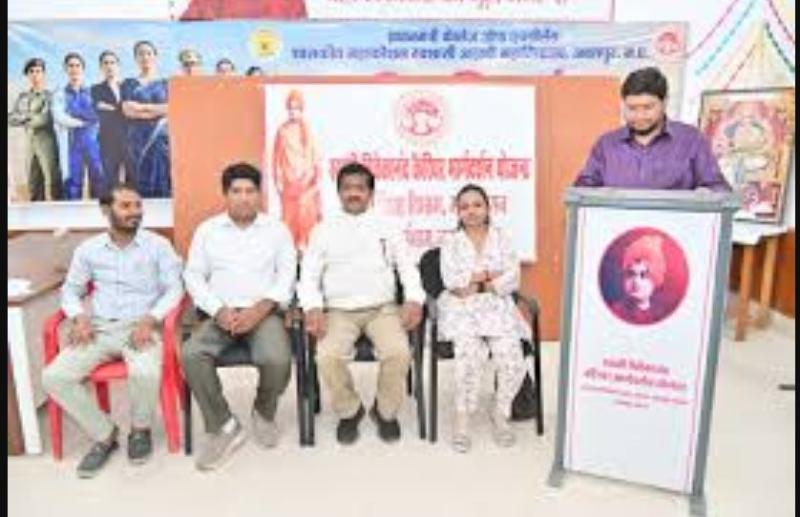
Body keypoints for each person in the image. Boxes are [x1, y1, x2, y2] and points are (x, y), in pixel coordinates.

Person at [41, 183, 183, 478]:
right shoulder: (88, 250)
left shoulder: (158, 245)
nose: (135, 212)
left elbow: (175, 288)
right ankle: (104, 434)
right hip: (100, 329)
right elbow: (71, 290)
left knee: (145, 372)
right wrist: (79, 317)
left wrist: (151, 319)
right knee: (54, 377)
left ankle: (141, 430)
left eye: (138, 205)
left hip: (142, 326)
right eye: (126, 206)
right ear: (107, 210)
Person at [299, 162, 425, 445]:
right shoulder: (323, 230)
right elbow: (309, 275)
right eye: (347, 188)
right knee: (327, 355)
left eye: (360, 188)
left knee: (398, 352)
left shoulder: (388, 227)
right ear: (339, 193)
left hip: (383, 309)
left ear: (370, 193)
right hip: (338, 310)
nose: (353, 193)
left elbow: (407, 267)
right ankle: (350, 410)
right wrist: (312, 307)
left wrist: (414, 300)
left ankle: (385, 412)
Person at [182, 162, 296, 471]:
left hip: (264, 312)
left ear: (259, 195)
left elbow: (287, 275)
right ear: (226, 194)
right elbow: (193, 276)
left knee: (276, 358)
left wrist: (260, 309)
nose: (244, 197)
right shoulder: (207, 231)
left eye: (250, 191)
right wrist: (218, 309)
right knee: (191, 353)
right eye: (236, 191)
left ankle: (264, 410)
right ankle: (223, 424)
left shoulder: (277, 230)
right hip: (221, 313)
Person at [437, 184, 529, 453]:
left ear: (488, 208)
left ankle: (500, 411)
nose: (471, 211)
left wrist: (476, 282)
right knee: (468, 356)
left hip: (497, 306)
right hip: (461, 309)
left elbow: (513, 277)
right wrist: (488, 275)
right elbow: (452, 281)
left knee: (512, 358)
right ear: (458, 212)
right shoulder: (451, 242)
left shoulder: (502, 238)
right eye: (464, 207)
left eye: (477, 205)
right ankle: (463, 418)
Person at [574, 67, 731, 191]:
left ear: (665, 102)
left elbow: (718, 188)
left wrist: (705, 194)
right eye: (632, 108)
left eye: (648, 107)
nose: (639, 116)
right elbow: (581, 190)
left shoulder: (691, 140)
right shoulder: (606, 144)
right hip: (616, 223)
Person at [52, 52, 106, 200]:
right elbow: (59, 117)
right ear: (65, 69)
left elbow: (97, 113)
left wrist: (76, 113)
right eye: (71, 66)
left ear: (83, 68)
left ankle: (98, 212)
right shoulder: (60, 93)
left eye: (77, 65)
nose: (74, 69)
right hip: (71, 144)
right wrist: (82, 122)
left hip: (93, 142)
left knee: (98, 178)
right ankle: (72, 213)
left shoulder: (93, 91)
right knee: (73, 183)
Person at [272, 89, 322, 250]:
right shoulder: (282, 130)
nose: (293, 112)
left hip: (306, 185)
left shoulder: (307, 129)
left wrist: (314, 178)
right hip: (289, 185)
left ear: (301, 109)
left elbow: (315, 157)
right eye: (291, 108)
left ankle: (306, 251)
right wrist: (279, 182)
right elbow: (276, 159)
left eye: (297, 108)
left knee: (307, 222)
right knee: (289, 224)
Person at [121, 40, 170, 198]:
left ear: (155, 56)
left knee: (162, 181)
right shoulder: (129, 83)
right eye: (141, 53)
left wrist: (142, 108)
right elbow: (129, 110)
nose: (145, 57)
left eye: (149, 53)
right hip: (136, 140)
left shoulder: (165, 83)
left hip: (160, 138)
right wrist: (158, 110)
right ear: (135, 58)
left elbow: (171, 109)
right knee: (138, 185)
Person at [7, 57, 61, 201]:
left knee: (52, 179)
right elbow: (11, 118)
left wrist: (24, 117)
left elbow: (44, 119)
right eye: (31, 71)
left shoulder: (50, 96)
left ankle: (58, 211)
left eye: (38, 71)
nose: (35, 75)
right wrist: (29, 117)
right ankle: (37, 211)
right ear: (27, 75)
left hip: (46, 141)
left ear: (43, 74)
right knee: (33, 180)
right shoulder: (23, 97)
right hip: (29, 142)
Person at [610, 234, 672, 325]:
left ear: (655, 280)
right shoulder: (616, 312)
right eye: (631, 274)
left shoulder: (661, 314)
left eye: (643, 276)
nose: (635, 281)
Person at [91, 50, 128, 189]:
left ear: (118, 65)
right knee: (110, 180)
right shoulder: (96, 89)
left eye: (112, 62)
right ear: (101, 67)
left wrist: (113, 107)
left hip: (129, 138)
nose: (109, 66)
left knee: (132, 179)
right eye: (105, 63)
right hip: (108, 140)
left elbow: (130, 108)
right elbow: (99, 108)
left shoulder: (127, 86)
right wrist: (123, 108)